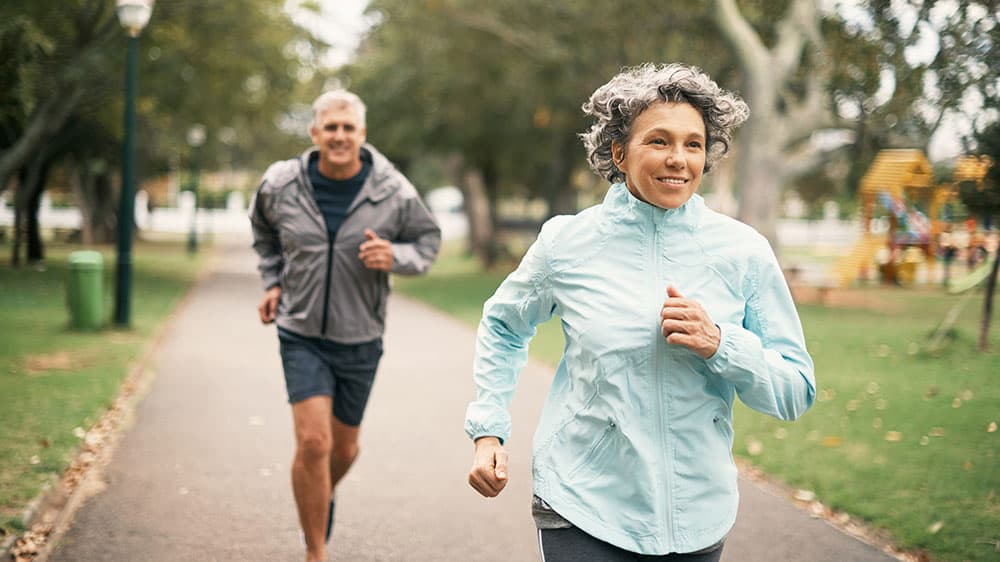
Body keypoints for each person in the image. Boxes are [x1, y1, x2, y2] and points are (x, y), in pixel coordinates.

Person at [465, 63, 815, 561]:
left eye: (693, 144)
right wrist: (489, 430)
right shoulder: (567, 243)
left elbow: (795, 391)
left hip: (698, 515)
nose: (678, 159)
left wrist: (722, 344)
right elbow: (503, 325)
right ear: (618, 152)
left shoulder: (743, 251)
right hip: (582, 502)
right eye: (659, 141)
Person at [250, 89, 441, 562]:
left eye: (348, 127)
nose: (339, 136)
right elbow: (263, 233)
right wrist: (273, 282)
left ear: (362, 134)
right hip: (301, 332)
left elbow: (428, 242)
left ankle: (316, 493)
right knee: (313, 443)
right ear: (315, 133)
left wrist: (393, 256)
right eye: (330, 127)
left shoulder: (392, 190)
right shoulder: (280, 183)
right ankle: (317, 551)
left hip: (360, 336)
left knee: (345, 450)